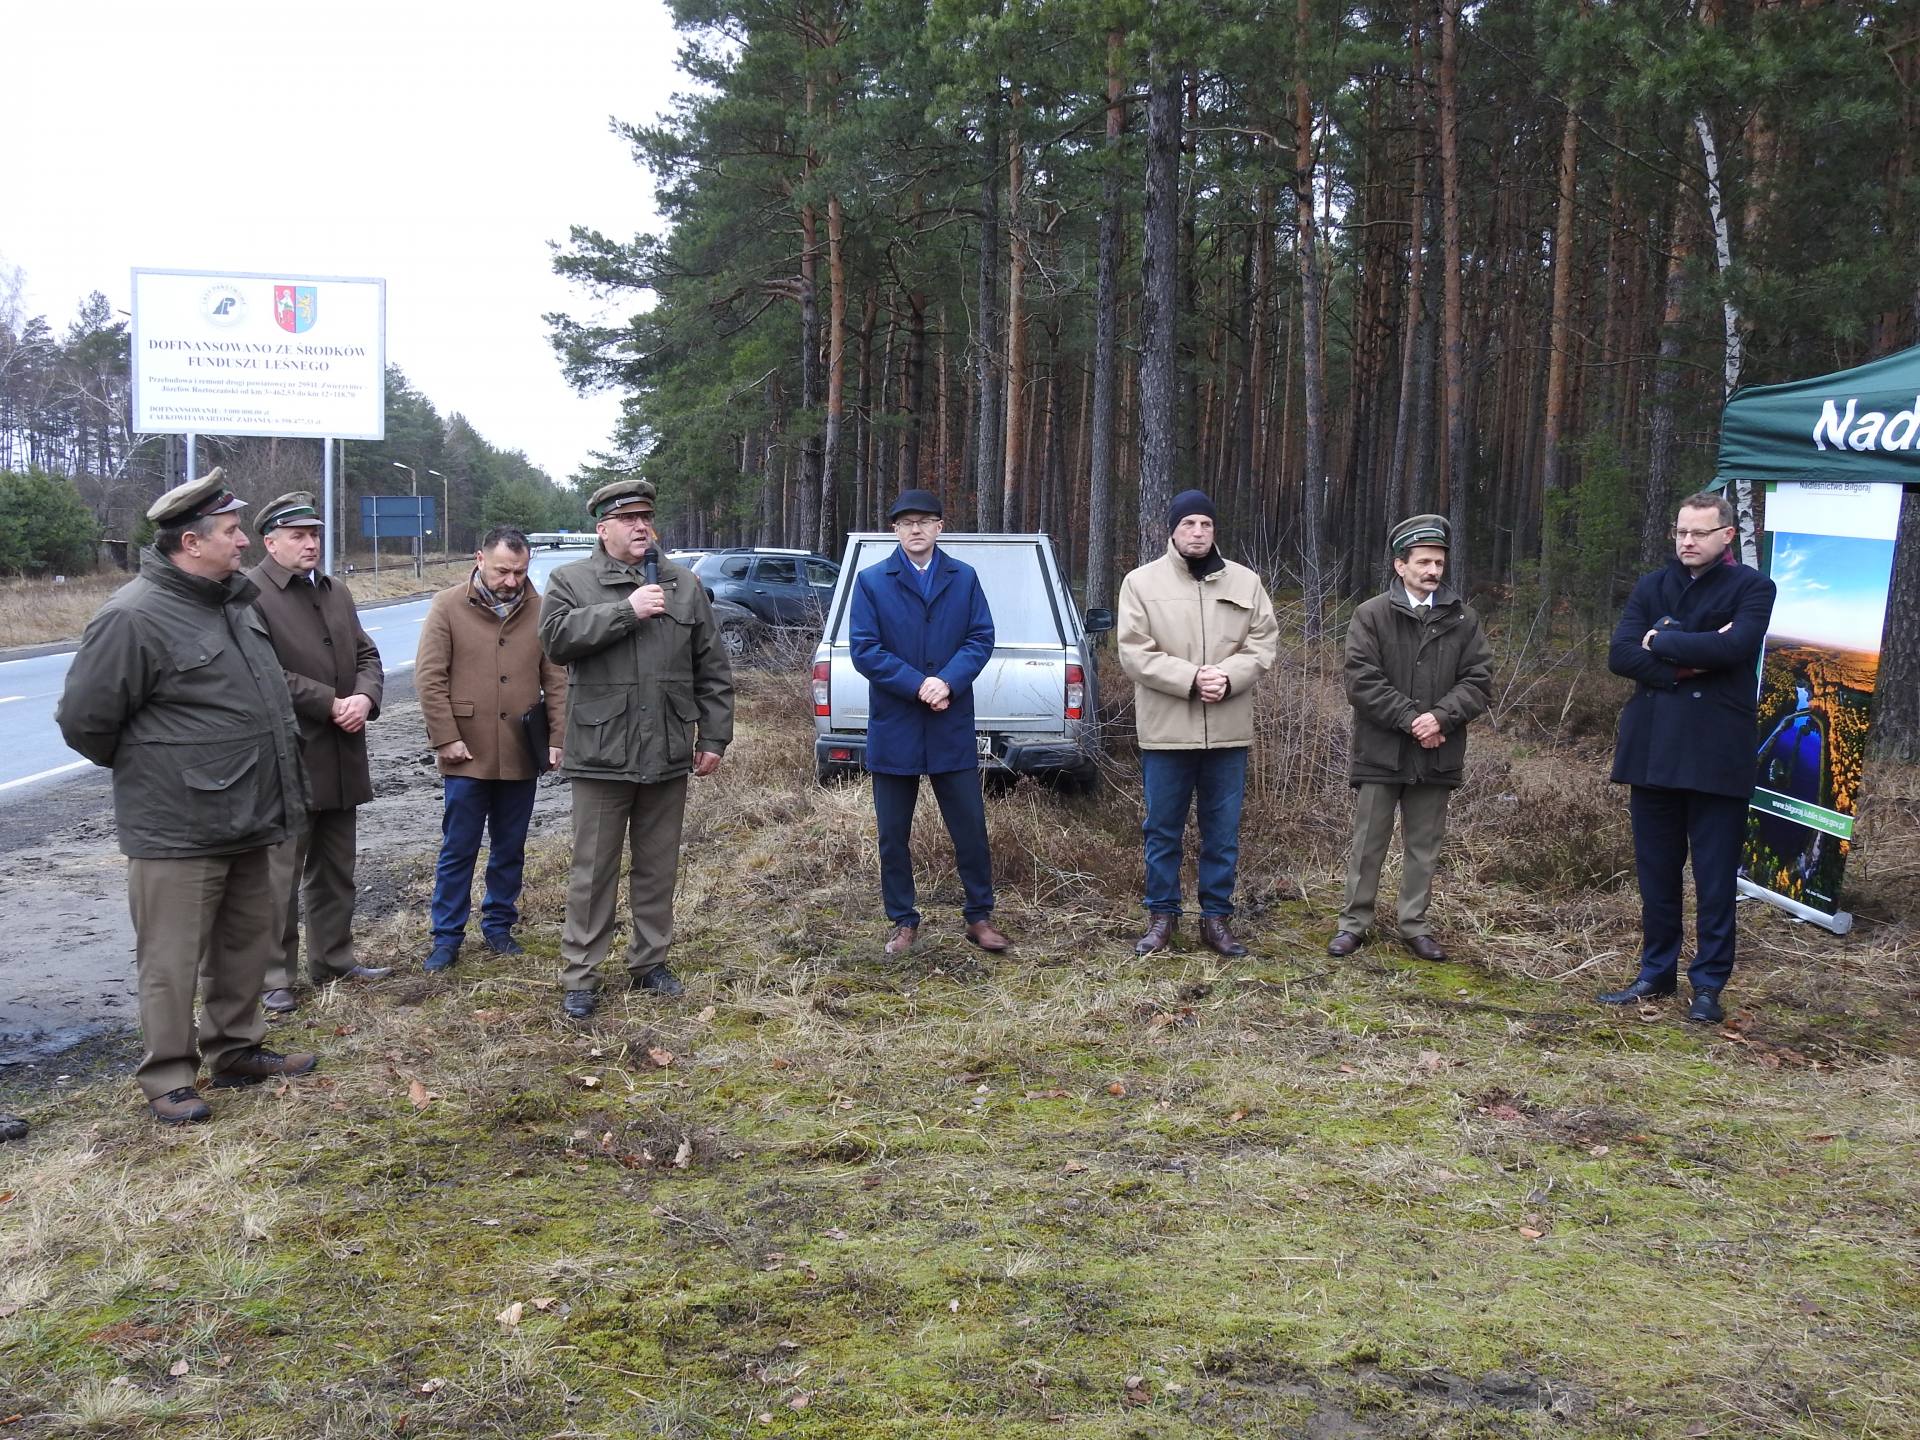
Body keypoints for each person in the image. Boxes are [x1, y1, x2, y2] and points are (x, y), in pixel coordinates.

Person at [56, 470, 317, 1125]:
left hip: (251, 812)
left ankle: (236, 1049)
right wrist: (162, 772)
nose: (243, 545)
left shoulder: (232, 602)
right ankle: (169, 1078)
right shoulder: (132, 616)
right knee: (171, 960)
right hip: (176, 825)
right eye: (232, 533)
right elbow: (85, 721)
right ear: (191, 543)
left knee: (244, 945)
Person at [540, 481, 734, 1018]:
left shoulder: (683, 583)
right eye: (627, 519)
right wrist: (625, 610)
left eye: (646, 516)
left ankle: (650, 963)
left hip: (668, 747)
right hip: (602, 752)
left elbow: (711, 668)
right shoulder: (571, 580)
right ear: (602, 529)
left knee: (657, 866)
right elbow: (555, 640)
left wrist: (715, 736)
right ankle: (580, 974)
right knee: (593, 869)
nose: (641, 526)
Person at [1598, 491, 1776, 1024]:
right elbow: (1620, 653)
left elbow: (1734, 648)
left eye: (1698, 533)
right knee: (1657, 872)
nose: (1687, 542)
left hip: (1717, 754)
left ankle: (1708, 986)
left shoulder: (1753, 587)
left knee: (1715, 878)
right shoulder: (1654, 584)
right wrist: (1683, 660)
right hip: (1651, 751)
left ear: (1727, 535)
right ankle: (1656, 973)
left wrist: (1664, 640)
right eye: (1680, 532)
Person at [1117, 489, 1280, 957]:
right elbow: (1133, 651)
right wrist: (1191, 678)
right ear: (1172, 529)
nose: (1198, 532)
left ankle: (1216, 920)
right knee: (1162, 829)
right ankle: (1161, 918)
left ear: (1215, 530)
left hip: (1227, 730)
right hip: (1166, 731)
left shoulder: (1246, 583)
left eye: (1205, 524)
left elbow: (1263, 643)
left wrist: (1226, 678)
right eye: (1188, 524)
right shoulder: (1140, 583)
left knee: (1222, 831)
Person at [245, 492, 390, 1014]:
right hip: (288, 755)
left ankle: (333, 958)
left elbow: (367, 652)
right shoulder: (250, 594)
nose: (310, 544)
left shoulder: (334, 591)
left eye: (314, 535)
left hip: (342, 751)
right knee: (278, 873)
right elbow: (263, 673)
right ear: (270, 542)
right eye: (298, 536)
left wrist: (365, 697)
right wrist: (330, 703)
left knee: (335, 866)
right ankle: (273, 975)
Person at [849, 488, 1007, 956]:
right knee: (892, 833)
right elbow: (865, 648)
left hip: (948, 722)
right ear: (894, 531)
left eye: (925, 521)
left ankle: (979, 916)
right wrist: (918, 683)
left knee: (970, 827)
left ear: (940, 527)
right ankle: (903, 920)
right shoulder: (872, 581)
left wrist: (949, 682)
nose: (915, 529)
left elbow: (981, 637)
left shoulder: (964, 578)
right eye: (906, 522)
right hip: (896, 722)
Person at [1328, 514, 1492, 962]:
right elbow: (1361, 681)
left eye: (1438, 562)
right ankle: (1353, 924)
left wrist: (1440, 718)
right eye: (1423, 561)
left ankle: (1414, 925)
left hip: (1438, 753)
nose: (1432, 570)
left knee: (1424, 845)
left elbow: (1478, 680)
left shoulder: (1464, 617)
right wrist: (1413, 718)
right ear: (1400, 565)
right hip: (1381, 751)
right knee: (1368, 843)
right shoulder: (1371, 614)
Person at [415, 526, 568, 971]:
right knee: (458, 848)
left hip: (522, 750)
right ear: (479, 559)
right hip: (466, 750)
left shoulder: (540, 609)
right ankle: (446, 936)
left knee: (510, 846)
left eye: (520, 572)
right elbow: (430, 678)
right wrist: (445, 738)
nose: (512, 581)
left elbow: (555, 680)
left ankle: (499, 926)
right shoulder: (447, 606)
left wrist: (556, 738)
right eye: (503, 570)